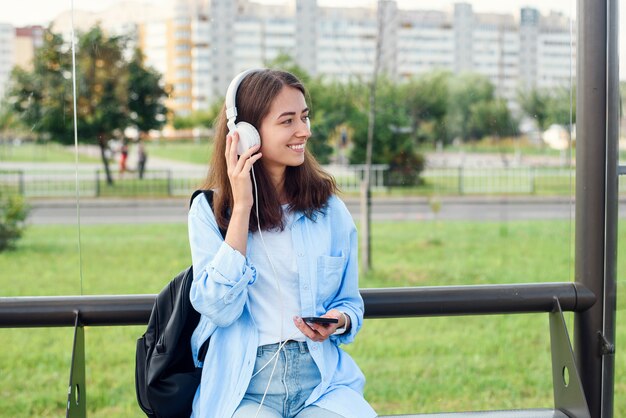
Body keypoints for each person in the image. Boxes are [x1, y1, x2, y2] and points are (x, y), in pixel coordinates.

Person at [187, 69, 377, 418]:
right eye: (287, 121)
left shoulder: (329, 209)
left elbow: (350, 302)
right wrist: (242, 207)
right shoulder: (209, 211)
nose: (304, 131)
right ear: (245, 136)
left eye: (304, 117)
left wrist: (339, 320)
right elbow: (216, 307)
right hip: (245, 388)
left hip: (321, 385)